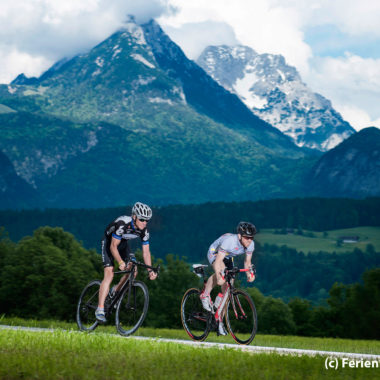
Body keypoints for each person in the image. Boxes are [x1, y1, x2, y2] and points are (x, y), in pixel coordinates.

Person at [95, 202, 157, 322]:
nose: (145, 222)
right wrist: (120, 262)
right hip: (109, 243)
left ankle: (115, 290)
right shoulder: (123, 224)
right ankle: (100, 309)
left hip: (123, 244)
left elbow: (146, 253)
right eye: (142, 219)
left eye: (147, 220)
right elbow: (113, 246)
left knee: (133, 270)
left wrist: (150, 269)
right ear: (134, 217)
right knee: (109, 274)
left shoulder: (144, 231)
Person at [200, 221, 256, 335]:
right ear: (240, 236)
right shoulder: (229, 242)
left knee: (229, 288)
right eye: (246, 237)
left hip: (228, 256)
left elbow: (247, 261)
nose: (249, 240)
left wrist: (249, 274)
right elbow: (218, 262)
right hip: (215, 253)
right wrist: (219, 274)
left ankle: (219, 318)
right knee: (221, 277)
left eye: (251, 237)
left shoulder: (251, 244)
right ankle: (205, 294)